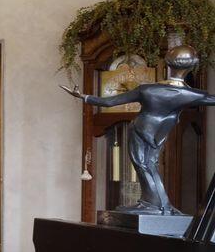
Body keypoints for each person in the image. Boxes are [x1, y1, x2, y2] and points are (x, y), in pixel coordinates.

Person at [65, 46, 215, 214]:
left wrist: (83, 96)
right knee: (149, 164)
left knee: (142, 164)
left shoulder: (147, 90)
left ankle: (157, 205)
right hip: (160, 134)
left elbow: (109, 102)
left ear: (168, 65)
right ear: (191, 67)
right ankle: (158, 204)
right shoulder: (190, 94)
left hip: (140, 130)